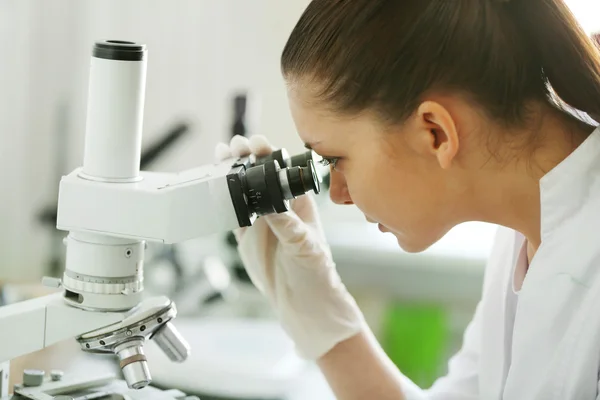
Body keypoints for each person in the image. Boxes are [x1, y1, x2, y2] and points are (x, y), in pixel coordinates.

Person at [215, 0, 600, 398]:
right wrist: (326, 321)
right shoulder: (525, 234)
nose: (338, 194)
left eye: (335, 159)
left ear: (435, 133)